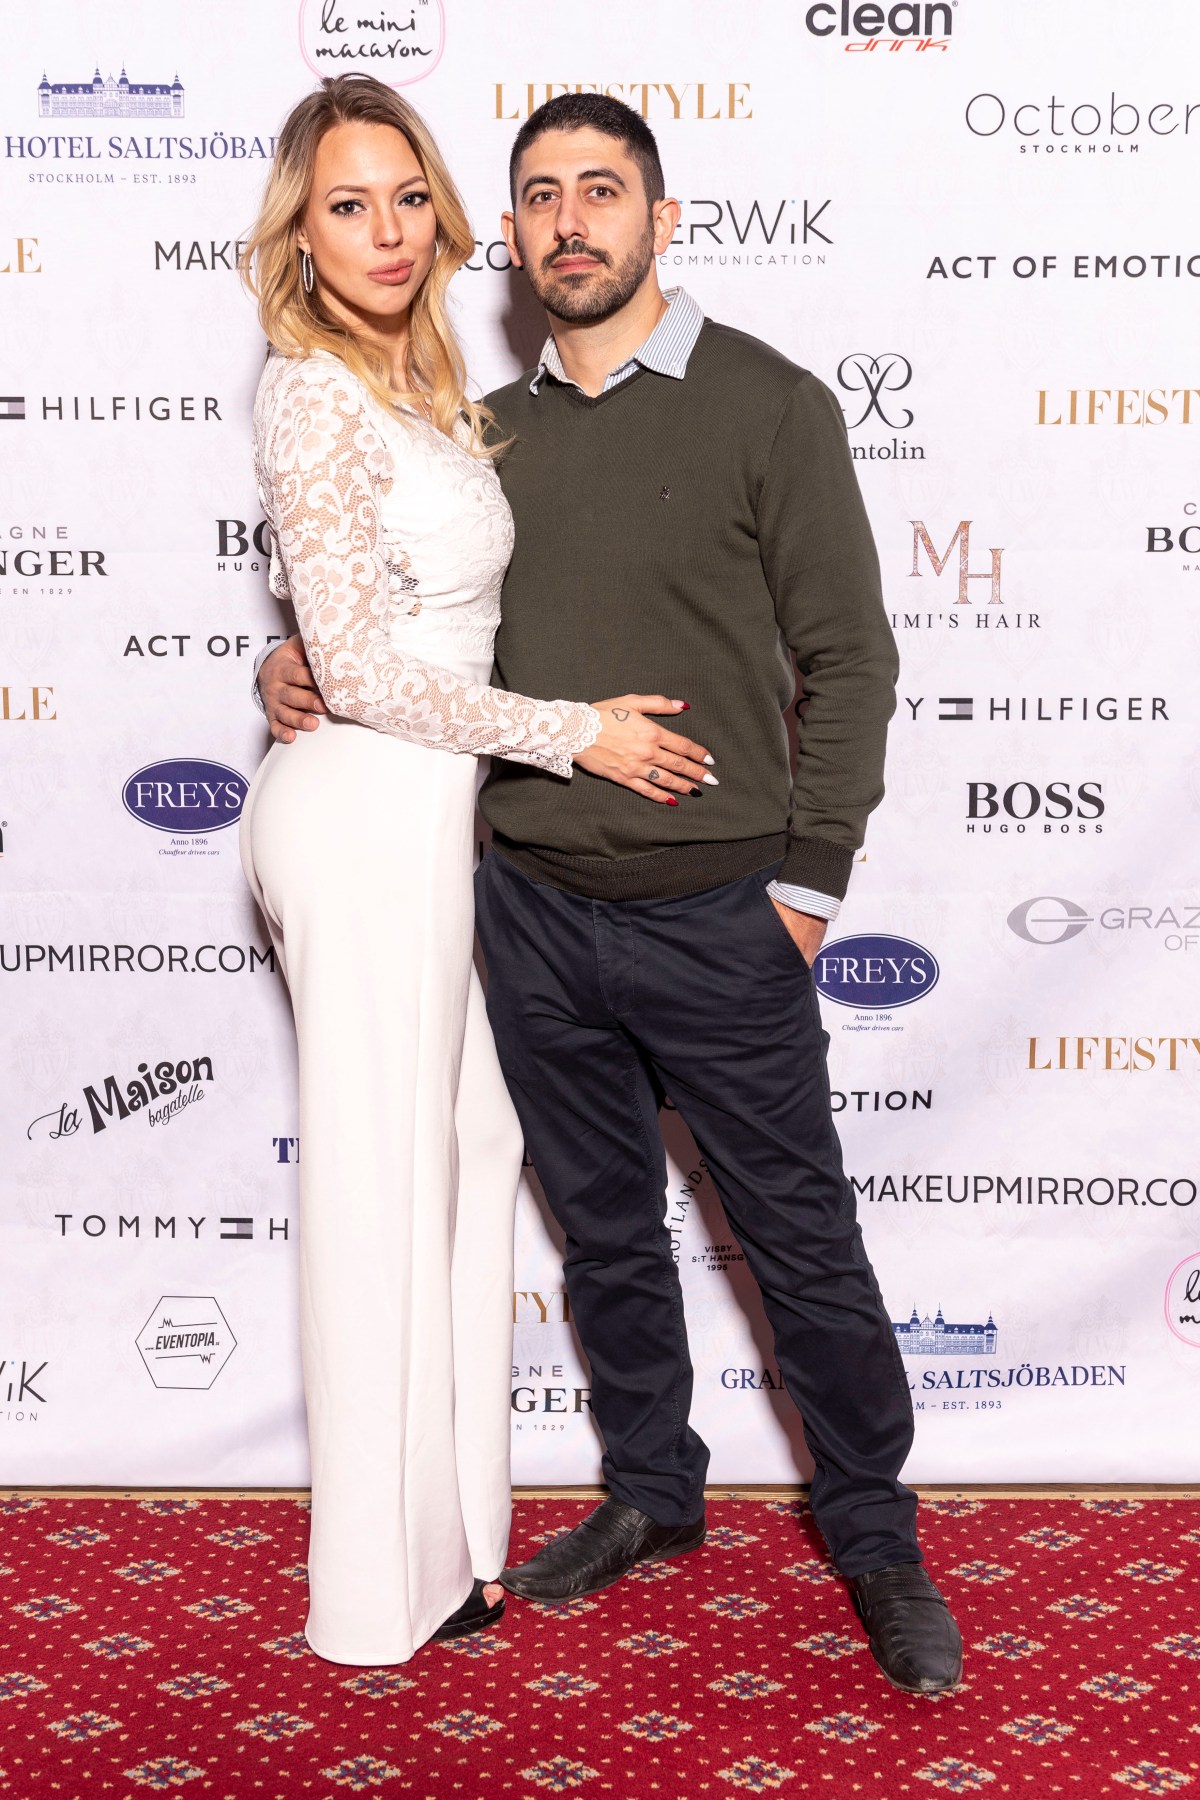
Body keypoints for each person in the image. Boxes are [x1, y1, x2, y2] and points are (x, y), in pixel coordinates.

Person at [258, 91, 963, 1695]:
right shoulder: (483, 430)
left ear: (661, 215)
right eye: (540, 196)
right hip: (527, 908)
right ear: (508, 236)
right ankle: (652, 1488)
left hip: (723, 913)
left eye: (601, 189)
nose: (569, 220)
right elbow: (411, 628)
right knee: (603, 1236)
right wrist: (292, 666)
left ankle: (877, 1537)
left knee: (801, 1245)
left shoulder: (770, 404)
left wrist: (808, 887)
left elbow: (851, 659)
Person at [239, 75, 717, 1668]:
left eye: (405, 199)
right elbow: (363, 667)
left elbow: (386, 623)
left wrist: (296, 660)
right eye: (346, 206)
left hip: (441, 817)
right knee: (380, 1187)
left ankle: (442, 1546)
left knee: (457, 1160)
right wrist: (577, 733)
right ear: (300, 237)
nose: (384, 232)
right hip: (366, 813)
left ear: (444, 217)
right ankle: (371, 1590)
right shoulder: (310, 389)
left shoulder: (422, 383)